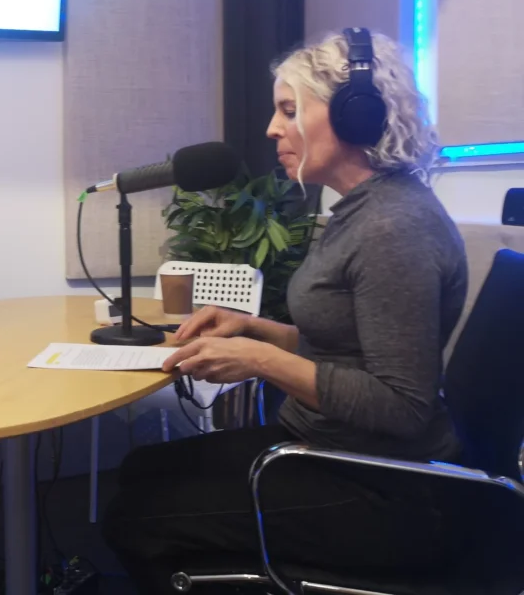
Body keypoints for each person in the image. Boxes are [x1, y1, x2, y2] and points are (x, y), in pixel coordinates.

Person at [102, 30, 468, 593]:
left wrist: (260, 361)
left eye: (289, 110)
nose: (273, 128)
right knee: (138, 470)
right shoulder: (362, 212)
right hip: (329, 450)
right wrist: (256, 330)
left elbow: (402, 406)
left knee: (135, 516)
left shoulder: (393, 228)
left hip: (384, 490)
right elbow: (347, 345)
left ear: (356, 116)